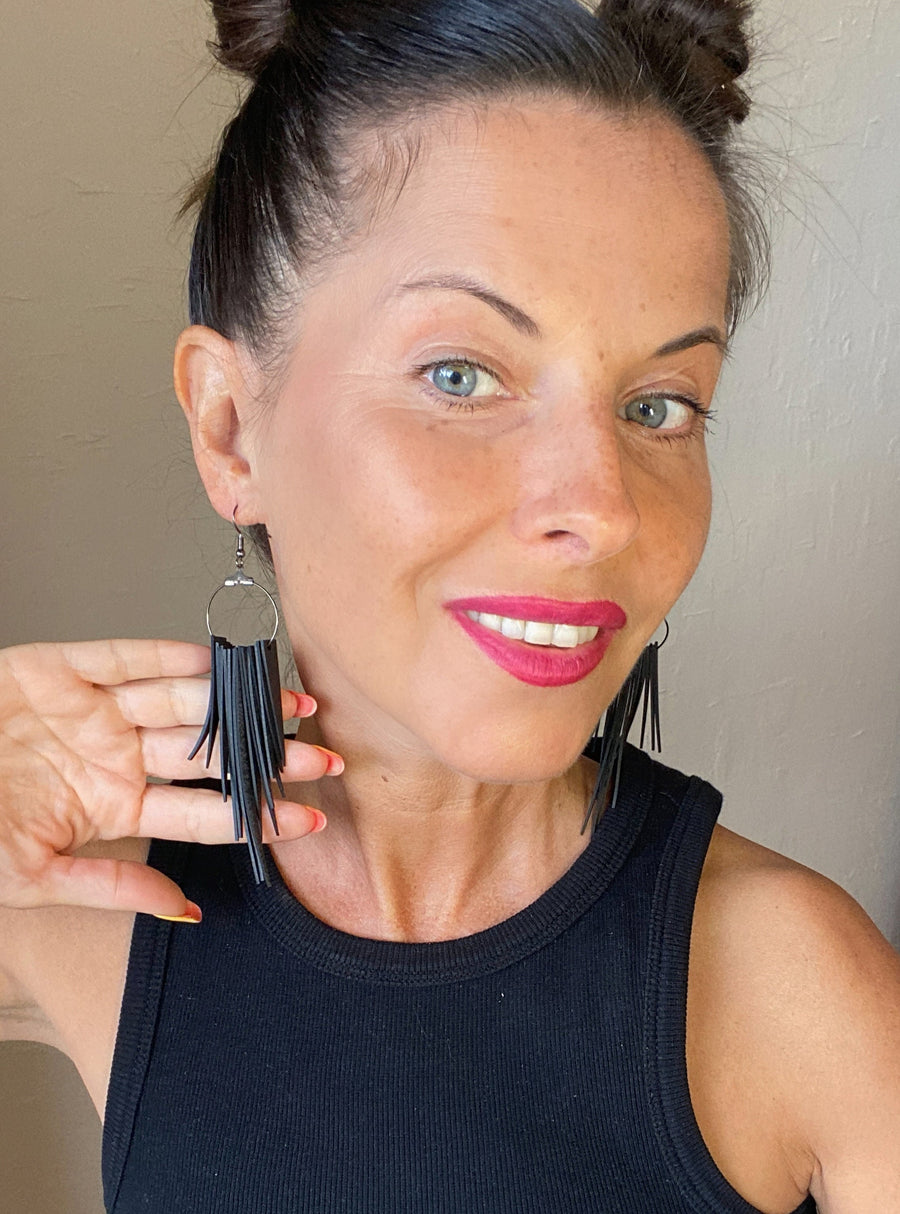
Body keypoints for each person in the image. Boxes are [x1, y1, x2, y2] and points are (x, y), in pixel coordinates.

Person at [1, 0, 898, 1211]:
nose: (605, 507)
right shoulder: (91, 910)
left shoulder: (798, 988)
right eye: (460, 374)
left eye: (660, 405)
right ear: (229, 424)